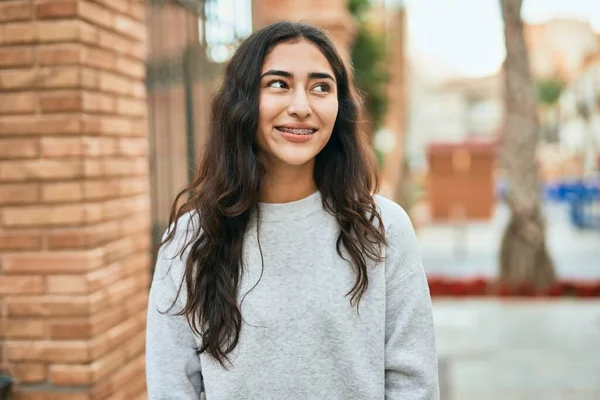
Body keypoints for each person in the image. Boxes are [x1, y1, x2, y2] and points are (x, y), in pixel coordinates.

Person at [145, 21, 439, 399]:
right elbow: (173, 388)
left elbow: (413, 382)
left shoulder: (383, 228)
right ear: (243, 100)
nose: (301, 107)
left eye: (320, 87)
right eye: (279, 84)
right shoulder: (189, 240)